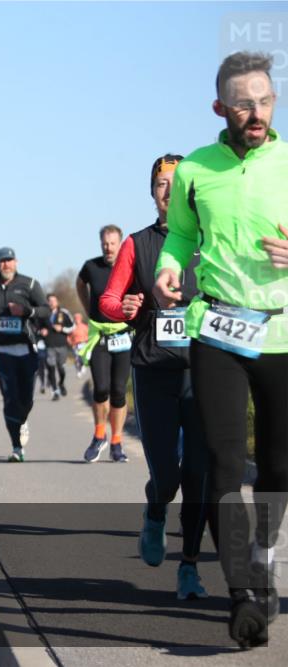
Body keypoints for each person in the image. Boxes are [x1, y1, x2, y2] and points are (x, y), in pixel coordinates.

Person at [154, 51, 288, 648]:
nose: (255, 112)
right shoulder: (195, 170)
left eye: (263, 100)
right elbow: (181, 234)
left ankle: (262, 554)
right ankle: (243, 593)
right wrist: (166, 266)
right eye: (243, 103)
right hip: (218, 328)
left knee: (280, 467)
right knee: (223, 461)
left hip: (283, 331)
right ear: (220, 108)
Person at [101, 153, 210, 601]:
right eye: (162, 183)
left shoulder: (210, 238)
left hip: (205, 368)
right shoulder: (137, 244)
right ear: (152, 192)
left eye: (178, 182)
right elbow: (109, 299)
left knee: (200, 473)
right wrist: (124, 307)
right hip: (153, 369)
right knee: (167, 474)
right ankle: (155, 507)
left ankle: (189, 567)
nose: (170, 189)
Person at [0, 247, 51, 462]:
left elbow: (46, 310)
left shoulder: (29, 284)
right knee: (9, 399)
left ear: (16, 262)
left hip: (26, 348)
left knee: (26, 399)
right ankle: (16, 447)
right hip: (2, 350)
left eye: (9, 260)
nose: (5, 265)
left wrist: (26, 311)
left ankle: (22, 420)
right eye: (1, 261)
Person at [77, 225, 131, 463]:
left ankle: (117, 443)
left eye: (112, 243)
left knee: (119, 391)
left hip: (123, 335)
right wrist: (89, 309)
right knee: (100, 388)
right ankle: (99, 436)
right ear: (101, 244)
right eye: (105, 243)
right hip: (99, 335)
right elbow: (80, 285)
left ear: (120, 243)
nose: (108, 248)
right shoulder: (91, 267)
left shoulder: (130, 266)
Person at [43, 294, 75, 401]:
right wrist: (41, 331)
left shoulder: (64, 313)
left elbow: (73, 326)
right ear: (47, 302)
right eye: (50, 301)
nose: (51, 302)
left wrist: (62, 329)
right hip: (49, 345)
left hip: (61, 344)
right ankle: (55, 392)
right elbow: (35, 326)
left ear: (57, 302)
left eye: (53, 300)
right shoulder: (43, 313)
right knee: (51, 368)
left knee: (61, 368)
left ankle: (61, 383)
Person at [68, 312, 89, 377]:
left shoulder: (85, 326)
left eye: (78, 318)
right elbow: (69, 337)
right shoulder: (73, 328)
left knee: (83, 357)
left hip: (84, 344)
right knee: (77, 358)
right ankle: (78, 370)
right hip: (75, 345)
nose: (77, 319)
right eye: (76, 318)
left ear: (81, 319)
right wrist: (71, 343)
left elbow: (89, 335)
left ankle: (84, 365)